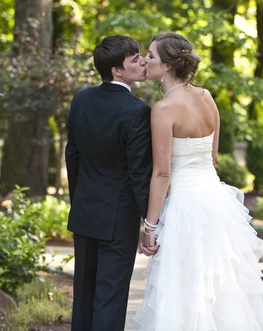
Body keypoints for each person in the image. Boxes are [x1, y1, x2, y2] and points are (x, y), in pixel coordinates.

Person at [134, 32, 263, 330]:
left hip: (185, 208)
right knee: (221, 292)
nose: (145, 60)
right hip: (216, 202)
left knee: (184, 293)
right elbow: (212, 157)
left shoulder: (163, 110)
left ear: (167, 67)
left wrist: (149, 227)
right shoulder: (206, 97)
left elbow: (162, 173)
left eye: (151, 56)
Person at [65, 35, 156, 331]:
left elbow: (73, 157)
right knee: (110, 297)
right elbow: (139, 172)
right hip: (118, 218)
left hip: (84, 211)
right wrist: (150, 221)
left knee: (84, 296)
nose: (142, 61)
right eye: (134, 59)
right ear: (117, 70)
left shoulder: (81, 99)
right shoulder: (137, 111)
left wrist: (77, 202)